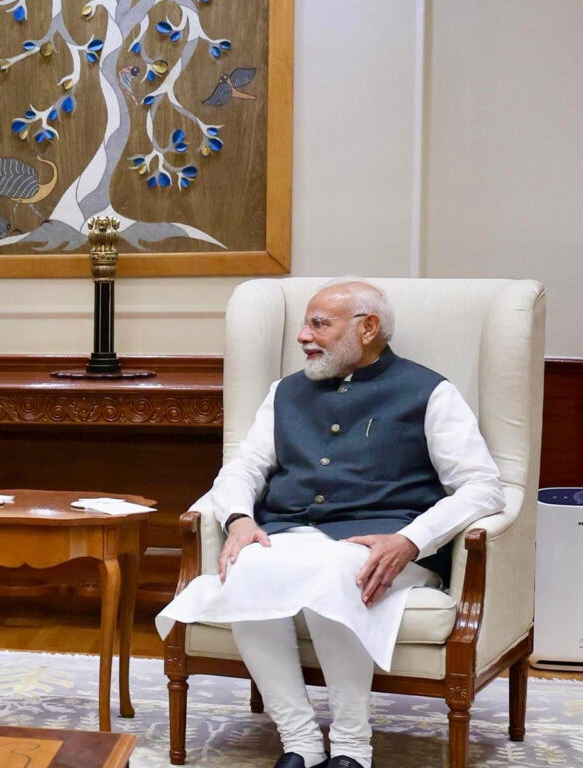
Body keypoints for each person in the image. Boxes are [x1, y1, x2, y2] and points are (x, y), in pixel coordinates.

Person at [156, 279, 504, 768]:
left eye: (319, 324)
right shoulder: (285, 393)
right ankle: (299, 742)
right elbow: (243, 468)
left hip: (385, 546)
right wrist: (237, 519)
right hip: (292, 533)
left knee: (340, 572)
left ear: (368, 328)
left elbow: (482, 486)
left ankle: (351, 748)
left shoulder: (430, 392)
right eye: (304, 323)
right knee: (246, 567)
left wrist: (411, 540)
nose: (303, 336)